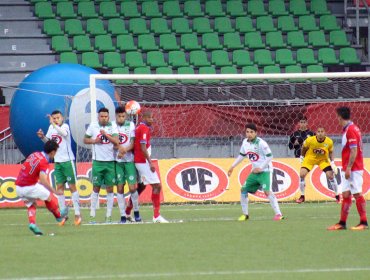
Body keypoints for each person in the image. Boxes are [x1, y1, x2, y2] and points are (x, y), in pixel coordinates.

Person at [227, 123, 285, 221]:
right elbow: (242, 155)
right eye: (247, 132)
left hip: (265, 171)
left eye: (251, 132)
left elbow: (270, 156)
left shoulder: (261, 143)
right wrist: (232, 166)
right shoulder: (245, 142)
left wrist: (261, 167)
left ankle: (279, 214)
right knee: (243, 190)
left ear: (256, 133)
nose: (249, 134)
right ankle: (245, 215)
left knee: (267, 192)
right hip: (254, 172)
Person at [37, 110, 81, 226]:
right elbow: (49, 142)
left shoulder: (65, 126)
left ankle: (77, 214)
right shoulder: (52, 128)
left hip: (68, 161)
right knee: (60, 188)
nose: (56, 120)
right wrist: (42, 137)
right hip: (57, 162)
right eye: (54, 118)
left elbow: (64, 134)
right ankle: (63, 215)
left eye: (58, 118)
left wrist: (53, 124)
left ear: (62, 118)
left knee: (72, 187)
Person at [15, 140, 68, 235]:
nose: (55, 155)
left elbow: (29, 170)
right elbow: (43, 180)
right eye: (55, 152)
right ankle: (59, 216)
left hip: (18, 187)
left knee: (32, 204)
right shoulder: (44, 162)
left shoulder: (34, 154)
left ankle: (32, 224)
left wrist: (35, 180)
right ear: (52, 152)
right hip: (29, 187)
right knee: (48, 196)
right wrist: (55, 191)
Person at [328, 107, 368, 231]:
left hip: (354, 168)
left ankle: (364, 222)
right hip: (348, 168)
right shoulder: (351, 128)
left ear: (340, 117)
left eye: (337, 117)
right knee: (345, 194)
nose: (337, 120)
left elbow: (354, 150)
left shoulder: (350, 130)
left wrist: (349, 167)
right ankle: (342, 223)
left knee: (356, 193)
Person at [84, 107, 119, 224]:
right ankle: (92, 215)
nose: (104, 118)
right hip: (97, 162)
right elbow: (85, 140)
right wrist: (95, 141)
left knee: (110, 189)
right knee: (96, 188)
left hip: (110, 162)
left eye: (105, 116)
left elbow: (117, 141)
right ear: (98, 117)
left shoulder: (112, 126)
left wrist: (106, 135)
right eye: (101, 116)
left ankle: (108, 216)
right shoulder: (93, 126)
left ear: (108, 117)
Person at [134, 110, 168, 223]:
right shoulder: (144, 129)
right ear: (143, 117)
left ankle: (128, 211)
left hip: (140, 161)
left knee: (140, 187)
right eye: (149, 118)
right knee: (157, 186)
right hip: (143, 162)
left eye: (152, 118)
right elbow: (143, 148)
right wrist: (150, 162)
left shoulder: (140, 128)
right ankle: (156, 215)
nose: (151, 120)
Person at [296, 127, 340, 204]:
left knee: (330, 176)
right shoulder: (310, 140)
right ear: (316, 133)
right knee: (302, 174)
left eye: (322, 131)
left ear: (325, 133)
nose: (320, 133)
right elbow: (304, 147)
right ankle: (302, 196)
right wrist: (302, 156)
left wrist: (332, 162)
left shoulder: (329, 141)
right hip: (310, 159)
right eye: (318, 131)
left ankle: (337, 196)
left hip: (323, 160)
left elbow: (331, 152)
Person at [113, 106, 141, 223]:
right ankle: (123, 216)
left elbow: (133, 143)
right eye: (119, 116)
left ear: (126, 116)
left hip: (129, 160)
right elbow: (114, 143)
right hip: (118, 162)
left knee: (132, 187)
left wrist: (123, 151)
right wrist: (119, 150)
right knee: (119, 188)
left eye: (123, 116)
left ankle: (136, 212)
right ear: (116, 116)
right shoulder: (112, 126)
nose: (121, 118)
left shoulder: (131, 125)